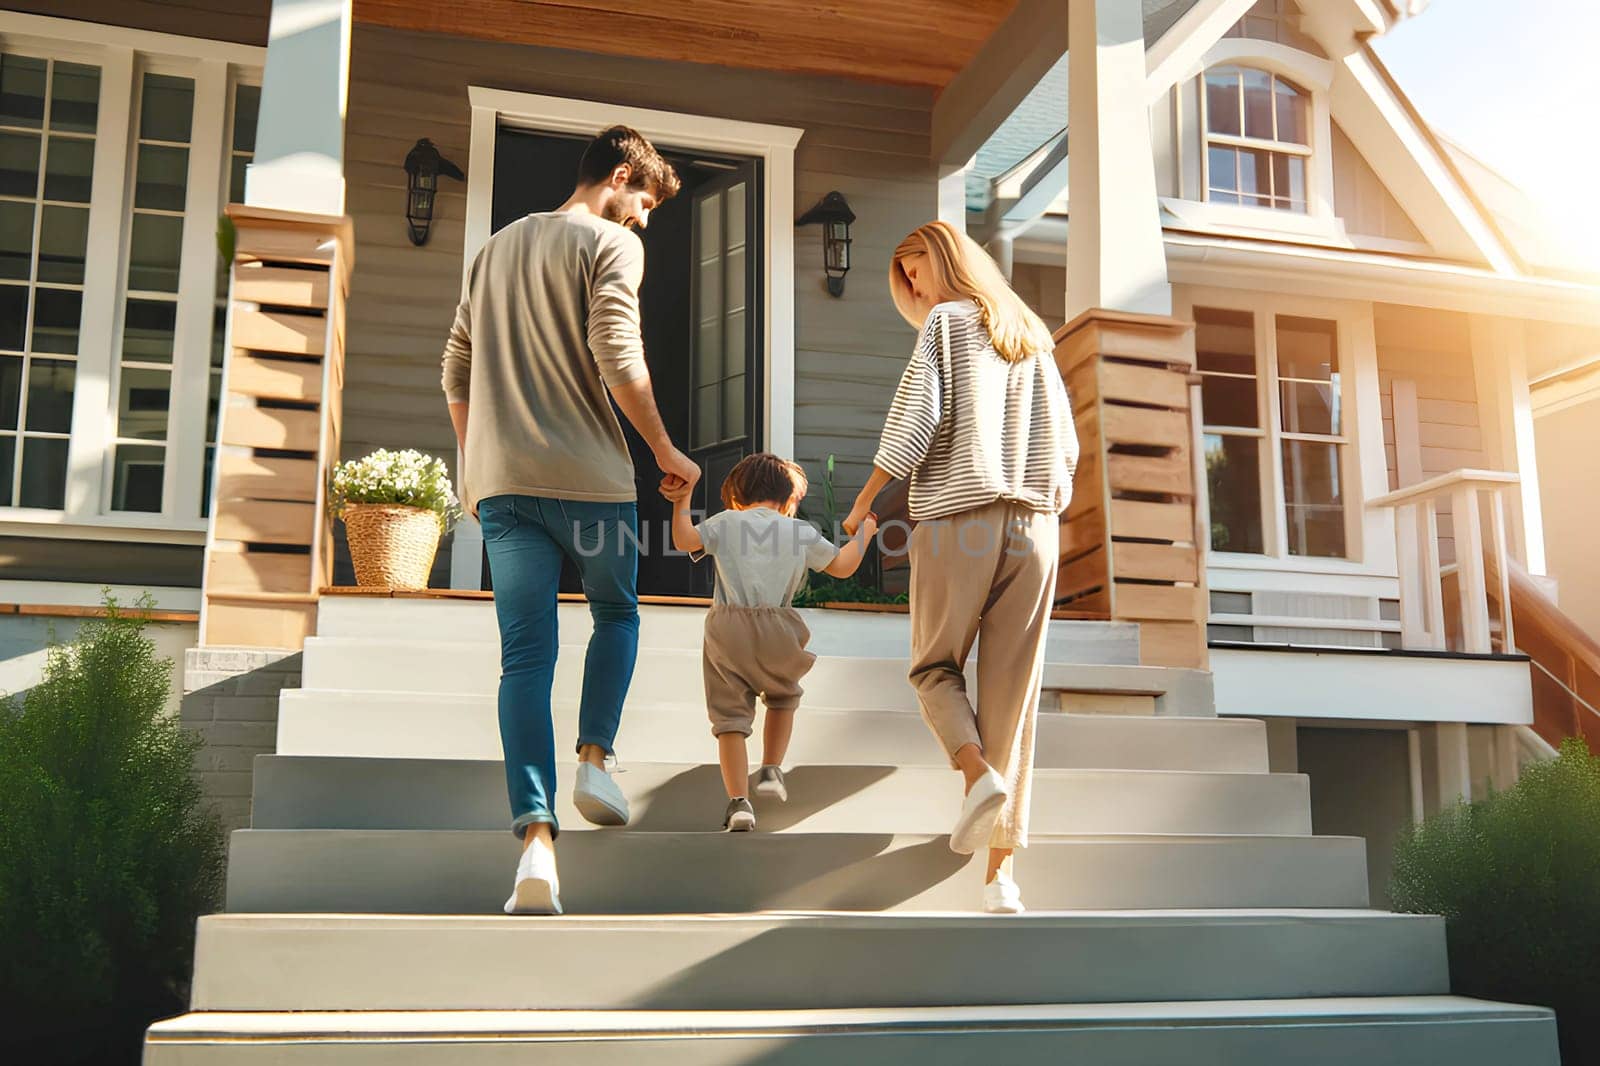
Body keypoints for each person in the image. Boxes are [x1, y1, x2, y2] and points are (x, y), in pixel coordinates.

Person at [440, 125, 699, 915]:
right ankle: (593, 759)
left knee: (525, 661)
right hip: (589, 482)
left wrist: (479, 460)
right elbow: (618, 352)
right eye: (645, 200)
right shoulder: (611, 244)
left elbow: (455, 366)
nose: (645, 219)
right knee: (617, 615)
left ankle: (537, 848)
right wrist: (665, 450)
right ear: (620, 175)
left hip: (503, 488)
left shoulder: (494, 249)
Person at [843, 221, 1078, 914]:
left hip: (961, 518)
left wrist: (860, 508)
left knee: (931, 666)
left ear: (946, 261)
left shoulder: (945, 324)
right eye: (907, 280)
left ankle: (976, 776)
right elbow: (1067, 446)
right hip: (1037, 527)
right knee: (1014, 699)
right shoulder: (1033, 333)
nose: (914, 288)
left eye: (916, 270)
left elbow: (915, 425)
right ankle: (1001, 879)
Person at [664, 453, 878, 831]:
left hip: (728, 625)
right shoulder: (799, 531)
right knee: (782, 697)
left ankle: (738, 803)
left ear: (736, 494)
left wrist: (682, 501)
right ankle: (771, 769)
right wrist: (865, 535)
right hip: (780, 624)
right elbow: (843, 566)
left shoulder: (727, 521)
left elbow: (684, 540)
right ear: (789, 498)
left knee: (730, 718)